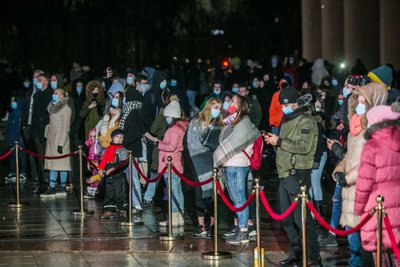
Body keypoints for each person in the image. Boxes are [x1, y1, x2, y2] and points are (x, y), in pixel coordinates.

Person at [264, 86, 321, 266]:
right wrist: (272, 141)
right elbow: (285, 147)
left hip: (298, 174)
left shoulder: (306, 120)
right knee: (286, 219)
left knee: (301, 219)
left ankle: (312, 255)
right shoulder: (286, 119)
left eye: (287, 104)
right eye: (282, 104)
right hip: (284, 173)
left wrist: (279, 141)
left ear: (296, 103)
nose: (284, 107)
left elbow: (303, 147)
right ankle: (297, 252)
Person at [332, 82, 387, 267]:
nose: (360, 105)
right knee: (353, 242)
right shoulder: (355, 126)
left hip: (366, 191)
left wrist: (347, 177)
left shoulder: (377, 129)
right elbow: (350, 155)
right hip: (350, 191)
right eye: (358, 101)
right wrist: (339, 170)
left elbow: (369, 163)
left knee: (367, 248)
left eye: (364, 102)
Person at [355, 103, 400, 267]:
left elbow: (363, 184)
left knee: (374, 256)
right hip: (396, 209)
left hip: (375, 210)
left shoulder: (372, 147)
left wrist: (358, 210)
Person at [213, 94, 260, 244]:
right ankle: (239, 227)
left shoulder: (244, 123)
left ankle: (243, 231)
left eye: (233, 101)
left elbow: (235, 142)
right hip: (230, 163)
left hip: (238, 164)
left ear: (241, 106)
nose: (229, 103)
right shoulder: (231, 121)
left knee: (240, 199)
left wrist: (218, 155)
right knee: (235, 199)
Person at [187, 97, 223, 237]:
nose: (217, 111)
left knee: (214, 194)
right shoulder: (196, 122)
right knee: (199, 194)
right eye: (215, 107)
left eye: (219, 108)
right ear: (208, 107)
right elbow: (191, 142)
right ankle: (201, 224)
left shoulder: (220, 124)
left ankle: (213, 224)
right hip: (198, 160)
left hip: (215, 161)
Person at [157, 100, 189, 227]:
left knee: (173, 191)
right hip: (176, 163)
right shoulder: (180, 128)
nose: (167, 119)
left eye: (168, 116)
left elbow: (171, 146)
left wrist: (159, 144)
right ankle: (178, 216)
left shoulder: (174, 130)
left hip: (170, 164)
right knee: (177, 190)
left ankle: (174, 217)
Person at [40, 89, 72, 196]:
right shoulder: (52, 108)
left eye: (56, 93)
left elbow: (66, 128)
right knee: (52, 163)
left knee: (62, 164)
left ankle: (62, 187)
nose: (53, 95)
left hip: (60, 139)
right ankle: (52, 186)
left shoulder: (66, 109)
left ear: (62, 96)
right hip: (51, 139)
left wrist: (61, 143)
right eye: (53, 93)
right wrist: (47, 132)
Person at [119, 88, 144, 221]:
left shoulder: (133, 111)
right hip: (130, 149)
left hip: (131, 150)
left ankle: (137, 204)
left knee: (133, 178)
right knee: (130, 178)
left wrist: (123, 142)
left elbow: (134, 132)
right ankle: (134, 202)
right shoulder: (133, 110)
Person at [98, 129, 129, 220]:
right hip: (108, 176)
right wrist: (100, 169)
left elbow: (123, 163)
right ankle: (108, 209)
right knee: (109, 193)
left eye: (121, 137)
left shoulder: (123, 150)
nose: (119, 139)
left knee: (120, 193)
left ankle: (123, 209)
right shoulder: (107, 149)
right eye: (117, 137)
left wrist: (113, 169)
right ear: (112, 138)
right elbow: (103, 161)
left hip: (118, 175)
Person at [31, 73, 53, 193]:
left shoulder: (50, 94)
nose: (38, 81)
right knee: (39, 158)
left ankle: (46, 182)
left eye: (40, 80)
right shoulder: (37, 94)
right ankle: (41, 181)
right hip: (36, 131)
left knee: (44, 158)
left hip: (44, 130)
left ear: (46, 82)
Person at [5, 96, 27, 182]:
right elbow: (9, 127)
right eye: (12, 102)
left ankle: (22, 172)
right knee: (13, 156)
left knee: (22, 156)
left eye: (14, 102)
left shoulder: (20, 114)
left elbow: (19, 127)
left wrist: (19, 137)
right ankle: (13, 172)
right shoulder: (12, 113)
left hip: (19, 138)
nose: (13, 104)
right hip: (12, 138)